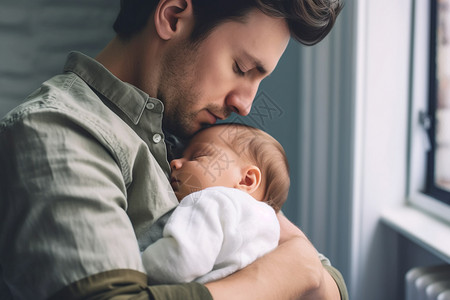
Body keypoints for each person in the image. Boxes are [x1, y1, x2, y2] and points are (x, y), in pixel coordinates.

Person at [0, 0, 348, 299]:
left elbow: (326, 281)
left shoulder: (196, 136)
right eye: (240, 68)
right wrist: (283, 276)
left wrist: (304, 271)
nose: (245, 104)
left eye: (259, 78)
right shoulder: (56, 131)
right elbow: (302, 267)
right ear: (173, 17)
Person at [142, 123, 290, 284]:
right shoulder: (273, 231)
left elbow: (181, 258)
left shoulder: (214, 200)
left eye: (197, 156)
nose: (175, 163)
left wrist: (136, 264)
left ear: (246, 180)